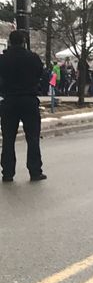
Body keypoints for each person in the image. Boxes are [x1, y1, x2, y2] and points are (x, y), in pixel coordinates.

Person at [1, 30, 47, 182]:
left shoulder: (3, 59)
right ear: (23, 42)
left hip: (9, 100)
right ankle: (35, 171)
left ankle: (7, 172)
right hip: (28, 99)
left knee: (8, 138)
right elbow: (41, 74)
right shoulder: (32, 58)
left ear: (10, 41)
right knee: (33, 138)